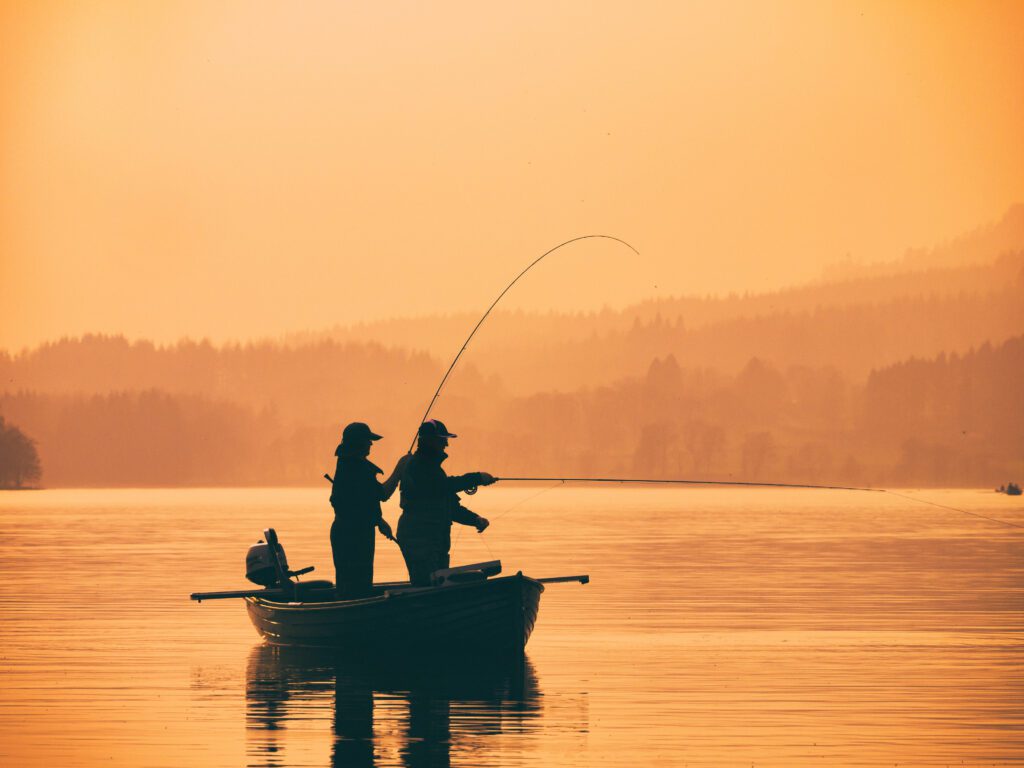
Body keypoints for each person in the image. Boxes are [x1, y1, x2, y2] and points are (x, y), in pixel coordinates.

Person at [397, 419, 496, 586]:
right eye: (442, 439)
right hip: (419, 538)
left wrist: (475, 519)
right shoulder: (417, 466)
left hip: (435, 539)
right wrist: (476, 478)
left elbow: (450, 506)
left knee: (438, 582)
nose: (446, 444)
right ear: (430, 440)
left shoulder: (434, 469)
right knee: (428, 585)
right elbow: (441, 487)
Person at [329, 422, 412, 599]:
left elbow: (358, 502)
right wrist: (400, 469)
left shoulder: (347, 464)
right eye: (368, 440)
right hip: (354, 536)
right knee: (357, 586)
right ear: (358, 443)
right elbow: (382, 494)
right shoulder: (357, 468)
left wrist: (378, 520)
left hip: (346, 531)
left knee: (349, 585)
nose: (371, 444)